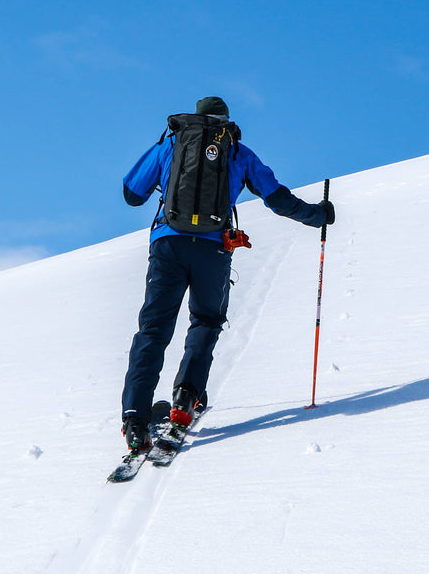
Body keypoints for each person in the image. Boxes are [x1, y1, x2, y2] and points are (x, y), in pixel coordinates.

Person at [118, 96, 335, 451]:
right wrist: (319, 215)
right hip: (213, 249)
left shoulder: (172, 144)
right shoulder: (238, 151)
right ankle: (186, 399)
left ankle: (134, 418)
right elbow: (277, 200)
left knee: (154, 330)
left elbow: (132, 194)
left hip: (168, 245)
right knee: (205, 321)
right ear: (226, 121)